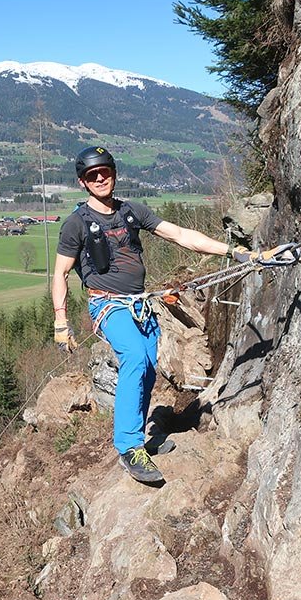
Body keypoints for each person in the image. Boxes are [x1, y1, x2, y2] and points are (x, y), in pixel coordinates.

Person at [52, 146, 257, 483]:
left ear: (114, 173)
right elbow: (60, 273)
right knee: (134, 357)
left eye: (105, 172)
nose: (100, 178)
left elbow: (180, 235)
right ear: (83, 182)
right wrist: (61, 321)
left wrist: (234, 252)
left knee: (148, 369)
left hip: (140, 305)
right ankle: (129, 448)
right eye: (92, 175)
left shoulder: (132, 212)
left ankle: (142, 442)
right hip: (108, 305)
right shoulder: (76, 224)